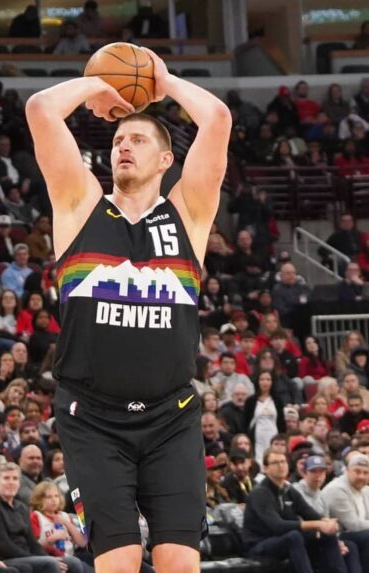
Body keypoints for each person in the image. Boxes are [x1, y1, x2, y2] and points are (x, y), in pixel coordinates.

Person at [28, 47, 232, 571]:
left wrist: (163, 82)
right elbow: (40, 110)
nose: (124, 146)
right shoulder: (79, 205)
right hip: (93, 420)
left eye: (138, 140)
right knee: (117, 562)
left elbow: (217, 118)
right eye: (119, 139)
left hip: (172, 417)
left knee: (179, 563)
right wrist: (94, 87)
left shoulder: (188, 214)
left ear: (167, 160)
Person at [242, 449, 346, 572]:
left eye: (283, 461)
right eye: (275, 463)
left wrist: (328, 524)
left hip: (283, 540)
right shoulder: (260, 493)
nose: (280, 466)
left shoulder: (289, 490)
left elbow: (310, 513)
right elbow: (278, 526)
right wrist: (318, 525)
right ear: (265, 468)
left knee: (326, 536)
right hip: (259, 544)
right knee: (294, 537)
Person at [0, 463, 88, 573]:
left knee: (73, 563)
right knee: (50, 564)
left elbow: (32, 542)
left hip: (27, 556)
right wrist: (43, 559)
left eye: (15, 479)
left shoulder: (21, 508)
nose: (11, 482)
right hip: (5, 559)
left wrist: (46, 557)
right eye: (6, 478)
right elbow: (4, 547)